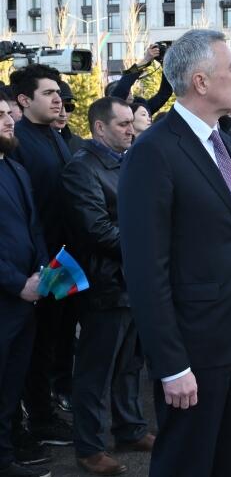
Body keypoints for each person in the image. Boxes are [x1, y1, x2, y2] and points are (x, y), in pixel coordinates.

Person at [118, 29, 231, 477]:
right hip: (193, 348)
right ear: (201, 82)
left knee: (228, 460)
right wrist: (170, 365)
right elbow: (146, 269)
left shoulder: (220, 139)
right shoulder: (154, 152)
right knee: (186, 462)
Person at [60, 98, 154, 476]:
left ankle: (130, 429)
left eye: (132, 122)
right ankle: (90, 447)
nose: (131, 129)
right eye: (122, 124)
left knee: (130, 364)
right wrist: (151, 244)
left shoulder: (126, 160)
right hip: (104, 284)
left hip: (132, 282)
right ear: (100, 128)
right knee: (96, 371)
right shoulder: (82, 169)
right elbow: (97, 230)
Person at [7, 64, 75, 447]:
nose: (57, 99)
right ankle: (32, 420)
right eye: (49, 93)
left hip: (62, 261)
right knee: (31, 346)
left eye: (58, 93)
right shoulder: (19, 142)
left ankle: (45, 412)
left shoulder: (55, 136)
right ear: (23, 99)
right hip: (36, 264)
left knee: (56, 339)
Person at [0, 96, 52, 477]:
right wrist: (19, 283)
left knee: (11, 387)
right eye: (0, 116)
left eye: (8, 114)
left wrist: (43, 275)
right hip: (7, 297)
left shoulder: (15, 167)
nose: (9, 120)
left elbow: (34, 228)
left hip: (27, 300)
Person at [52, 82, 85, 154]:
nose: (63, 114)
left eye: (68, 107)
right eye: (58, 107)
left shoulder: (78, 144)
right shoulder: (28, 141)